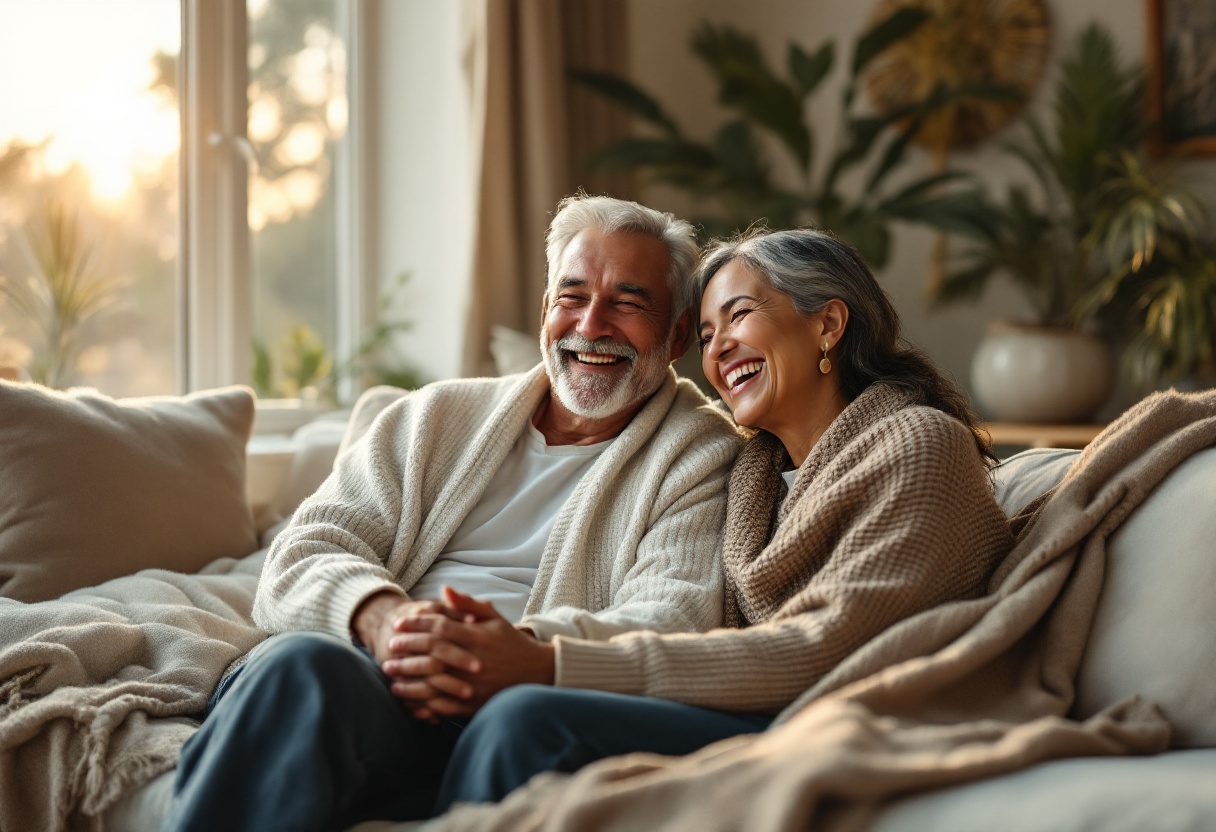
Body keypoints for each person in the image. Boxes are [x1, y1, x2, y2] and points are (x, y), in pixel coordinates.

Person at [163, 195, 743, 832]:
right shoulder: (433, 416)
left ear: (678, 335)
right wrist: (385, 620)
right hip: (370, 680)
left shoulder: (702, 452)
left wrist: (512, 653)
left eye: (627, 304)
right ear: (545, 310)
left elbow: (674, 616)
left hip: (514, 708)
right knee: (300, 666)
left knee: (505, 722)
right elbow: (302, 553)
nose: (591, 324)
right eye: (571, 296)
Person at [430, 226, 1016, 811]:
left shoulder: (920, 444)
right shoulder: (754, 478)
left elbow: (821, 647)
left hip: (852, 713)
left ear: (828, 325)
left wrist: (554, 662)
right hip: (765, 711)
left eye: (738, 316)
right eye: (708, 335)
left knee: (527, 720)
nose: (717, 351)